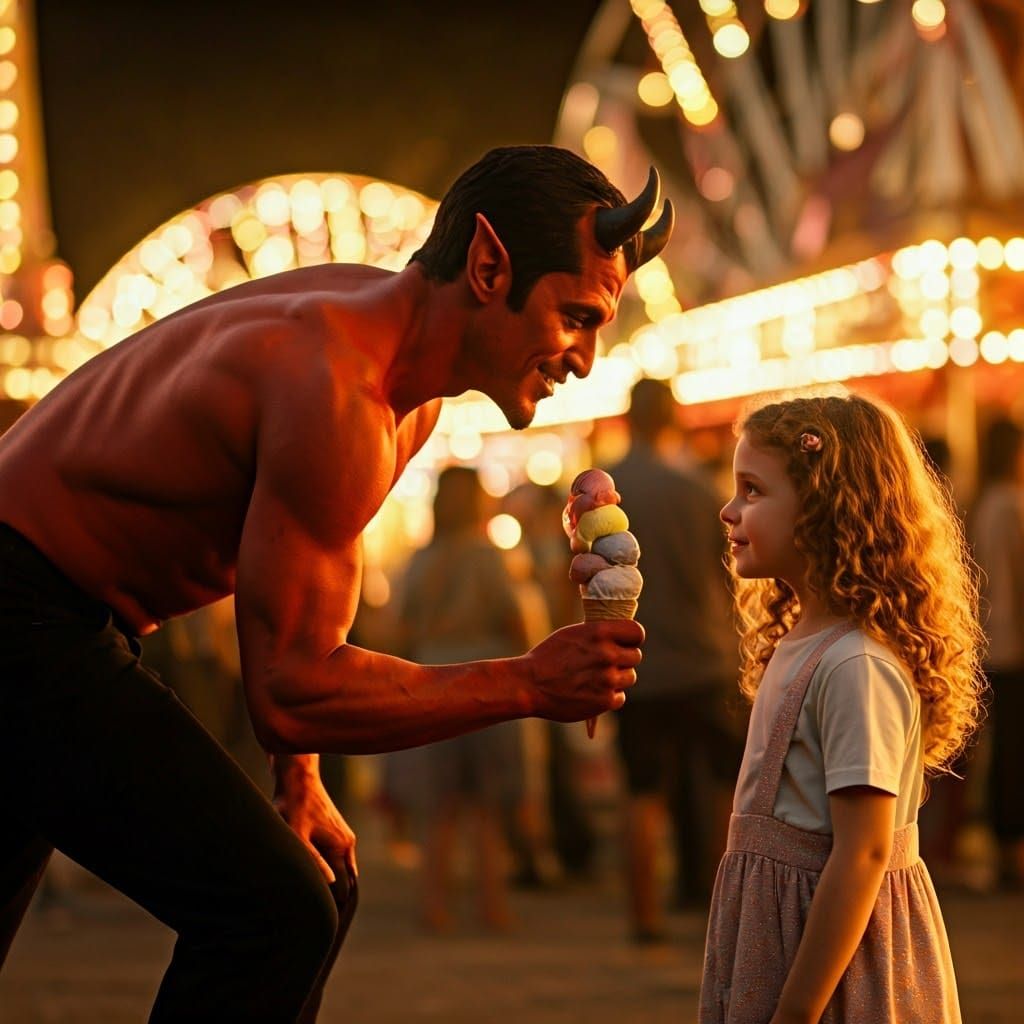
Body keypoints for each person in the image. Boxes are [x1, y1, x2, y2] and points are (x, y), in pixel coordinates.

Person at [0, 145, 671, 1021]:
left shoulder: (399, 383)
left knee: (301, 890)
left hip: (43, 614)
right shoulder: (338, 389)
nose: (584, 357)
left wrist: (300, 780)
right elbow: (290, 692)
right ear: (488, 264)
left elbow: (299, 612)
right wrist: (526, 682)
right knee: (274, 912)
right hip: (25, 617)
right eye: (576, 316)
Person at [703, 392, 985, 1023]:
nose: (729, 511)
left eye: (752, 490)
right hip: (779, 933)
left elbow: (863, 853)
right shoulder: (802, 645)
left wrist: (796, 1011)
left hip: (840, 968)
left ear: (825, 508)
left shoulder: (856, 665)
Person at [606, 378, 740, 941]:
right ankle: (724, 911)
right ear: (673, 419)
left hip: (634, 660)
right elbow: (728, 575)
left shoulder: (607, 493)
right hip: (706, 656)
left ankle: (645, 916)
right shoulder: (699, 489)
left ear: (627, 418)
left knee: (642, 792)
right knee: (723, 786)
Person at [390, 465, 528, 932]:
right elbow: (513, 619)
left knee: (439, 805)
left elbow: (400, 628)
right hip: (485, 681)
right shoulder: (487, 556)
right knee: (486, 805)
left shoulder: (419, 560)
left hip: (432, 680)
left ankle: (434, 906)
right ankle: (492, 906)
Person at [970, 416, 1024, 889]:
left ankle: (1004, 848)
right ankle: (1012, 852)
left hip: (992, 643)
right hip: (1014, 647)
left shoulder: (982, 503)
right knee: (1014, 752)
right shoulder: (1010, 504)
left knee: (1003, 752)